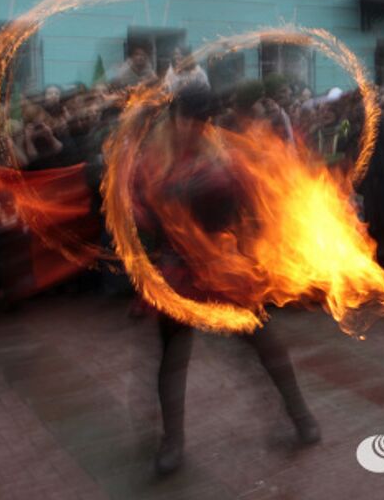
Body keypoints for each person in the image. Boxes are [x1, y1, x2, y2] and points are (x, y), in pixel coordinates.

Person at [134, 84, 320, 475]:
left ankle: (301, 417)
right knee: (171, 358)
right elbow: (141, 212)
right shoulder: (154, 158)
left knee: (264, 343)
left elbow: (253, 206)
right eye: (190, 119)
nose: (196, 127)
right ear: (176, 117)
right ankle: (173, 444)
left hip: (223, 270)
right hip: (179, 272)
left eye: (203, 120)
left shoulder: (225, 157)